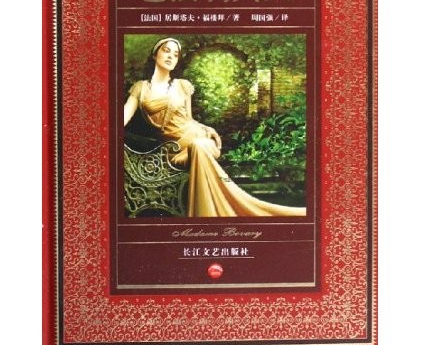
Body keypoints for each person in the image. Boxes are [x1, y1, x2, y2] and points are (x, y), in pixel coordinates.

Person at [123, 37, 306, 217]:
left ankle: (209, 214)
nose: (171, 56)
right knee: (197, 147)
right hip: (175, 151)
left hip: (201, 139)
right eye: (166, 51)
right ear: (155, 55)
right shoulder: (140, 88)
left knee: (199, 145)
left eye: (176, 54)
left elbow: (189, 119)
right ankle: (222, 210)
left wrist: (206, 129)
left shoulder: (182, 85)